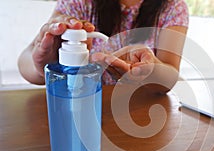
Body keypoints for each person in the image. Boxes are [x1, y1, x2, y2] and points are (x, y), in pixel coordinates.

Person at [18, 0, 189, 94]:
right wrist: (42, 66)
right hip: (78, 104)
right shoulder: (79, 3)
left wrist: (150, 71)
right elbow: (25, 62)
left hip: (141, 113)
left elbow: (170, 76)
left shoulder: (172, 8)